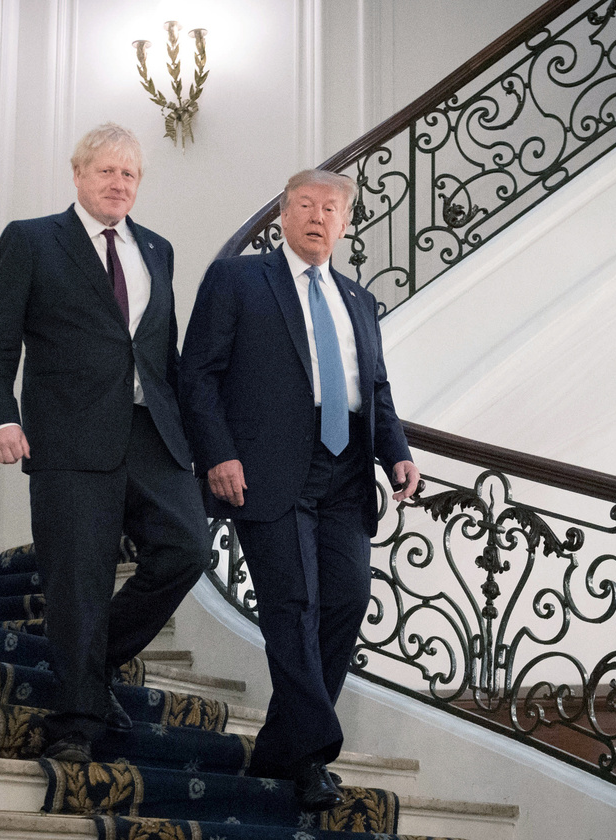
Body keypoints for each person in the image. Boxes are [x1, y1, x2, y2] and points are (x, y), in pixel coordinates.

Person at [178, 169, 421, 811]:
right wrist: (218, 455)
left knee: (345, 599)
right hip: (264, 469)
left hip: (345, 473)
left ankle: (283, 745)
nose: (318, 217)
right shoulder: (238, 279)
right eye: (305, 205)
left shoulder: (359, 301)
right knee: (293, 605)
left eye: (332, 208)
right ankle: (313, 754)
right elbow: (197, 372)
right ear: (283, 216)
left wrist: (396, 453)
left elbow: (377, 391)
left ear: (346, 224)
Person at [0, 123, 210, 763]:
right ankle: (79, 718)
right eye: (106, 171)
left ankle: (90, 660)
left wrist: (199, 437)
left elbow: (164, 351)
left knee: (187, 547)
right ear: (78, 175)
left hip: (151, 431)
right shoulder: (31, 240)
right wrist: (1, 417)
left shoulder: (156, 248)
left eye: (129, 174)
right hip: (69, 434)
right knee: (78, 579)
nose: (118, 183)